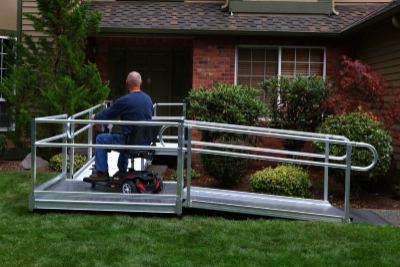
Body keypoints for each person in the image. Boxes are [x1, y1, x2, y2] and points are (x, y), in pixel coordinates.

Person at [89, 71, 153, 180]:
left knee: (100, 138)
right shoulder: (148, 99)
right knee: (126, 134)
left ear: (126, 83)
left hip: (130, 143)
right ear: (141, 83)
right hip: (145, 142)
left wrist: (95, 117)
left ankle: (102, 172)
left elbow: (108, 114)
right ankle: (122, 169)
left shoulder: (124, 101)